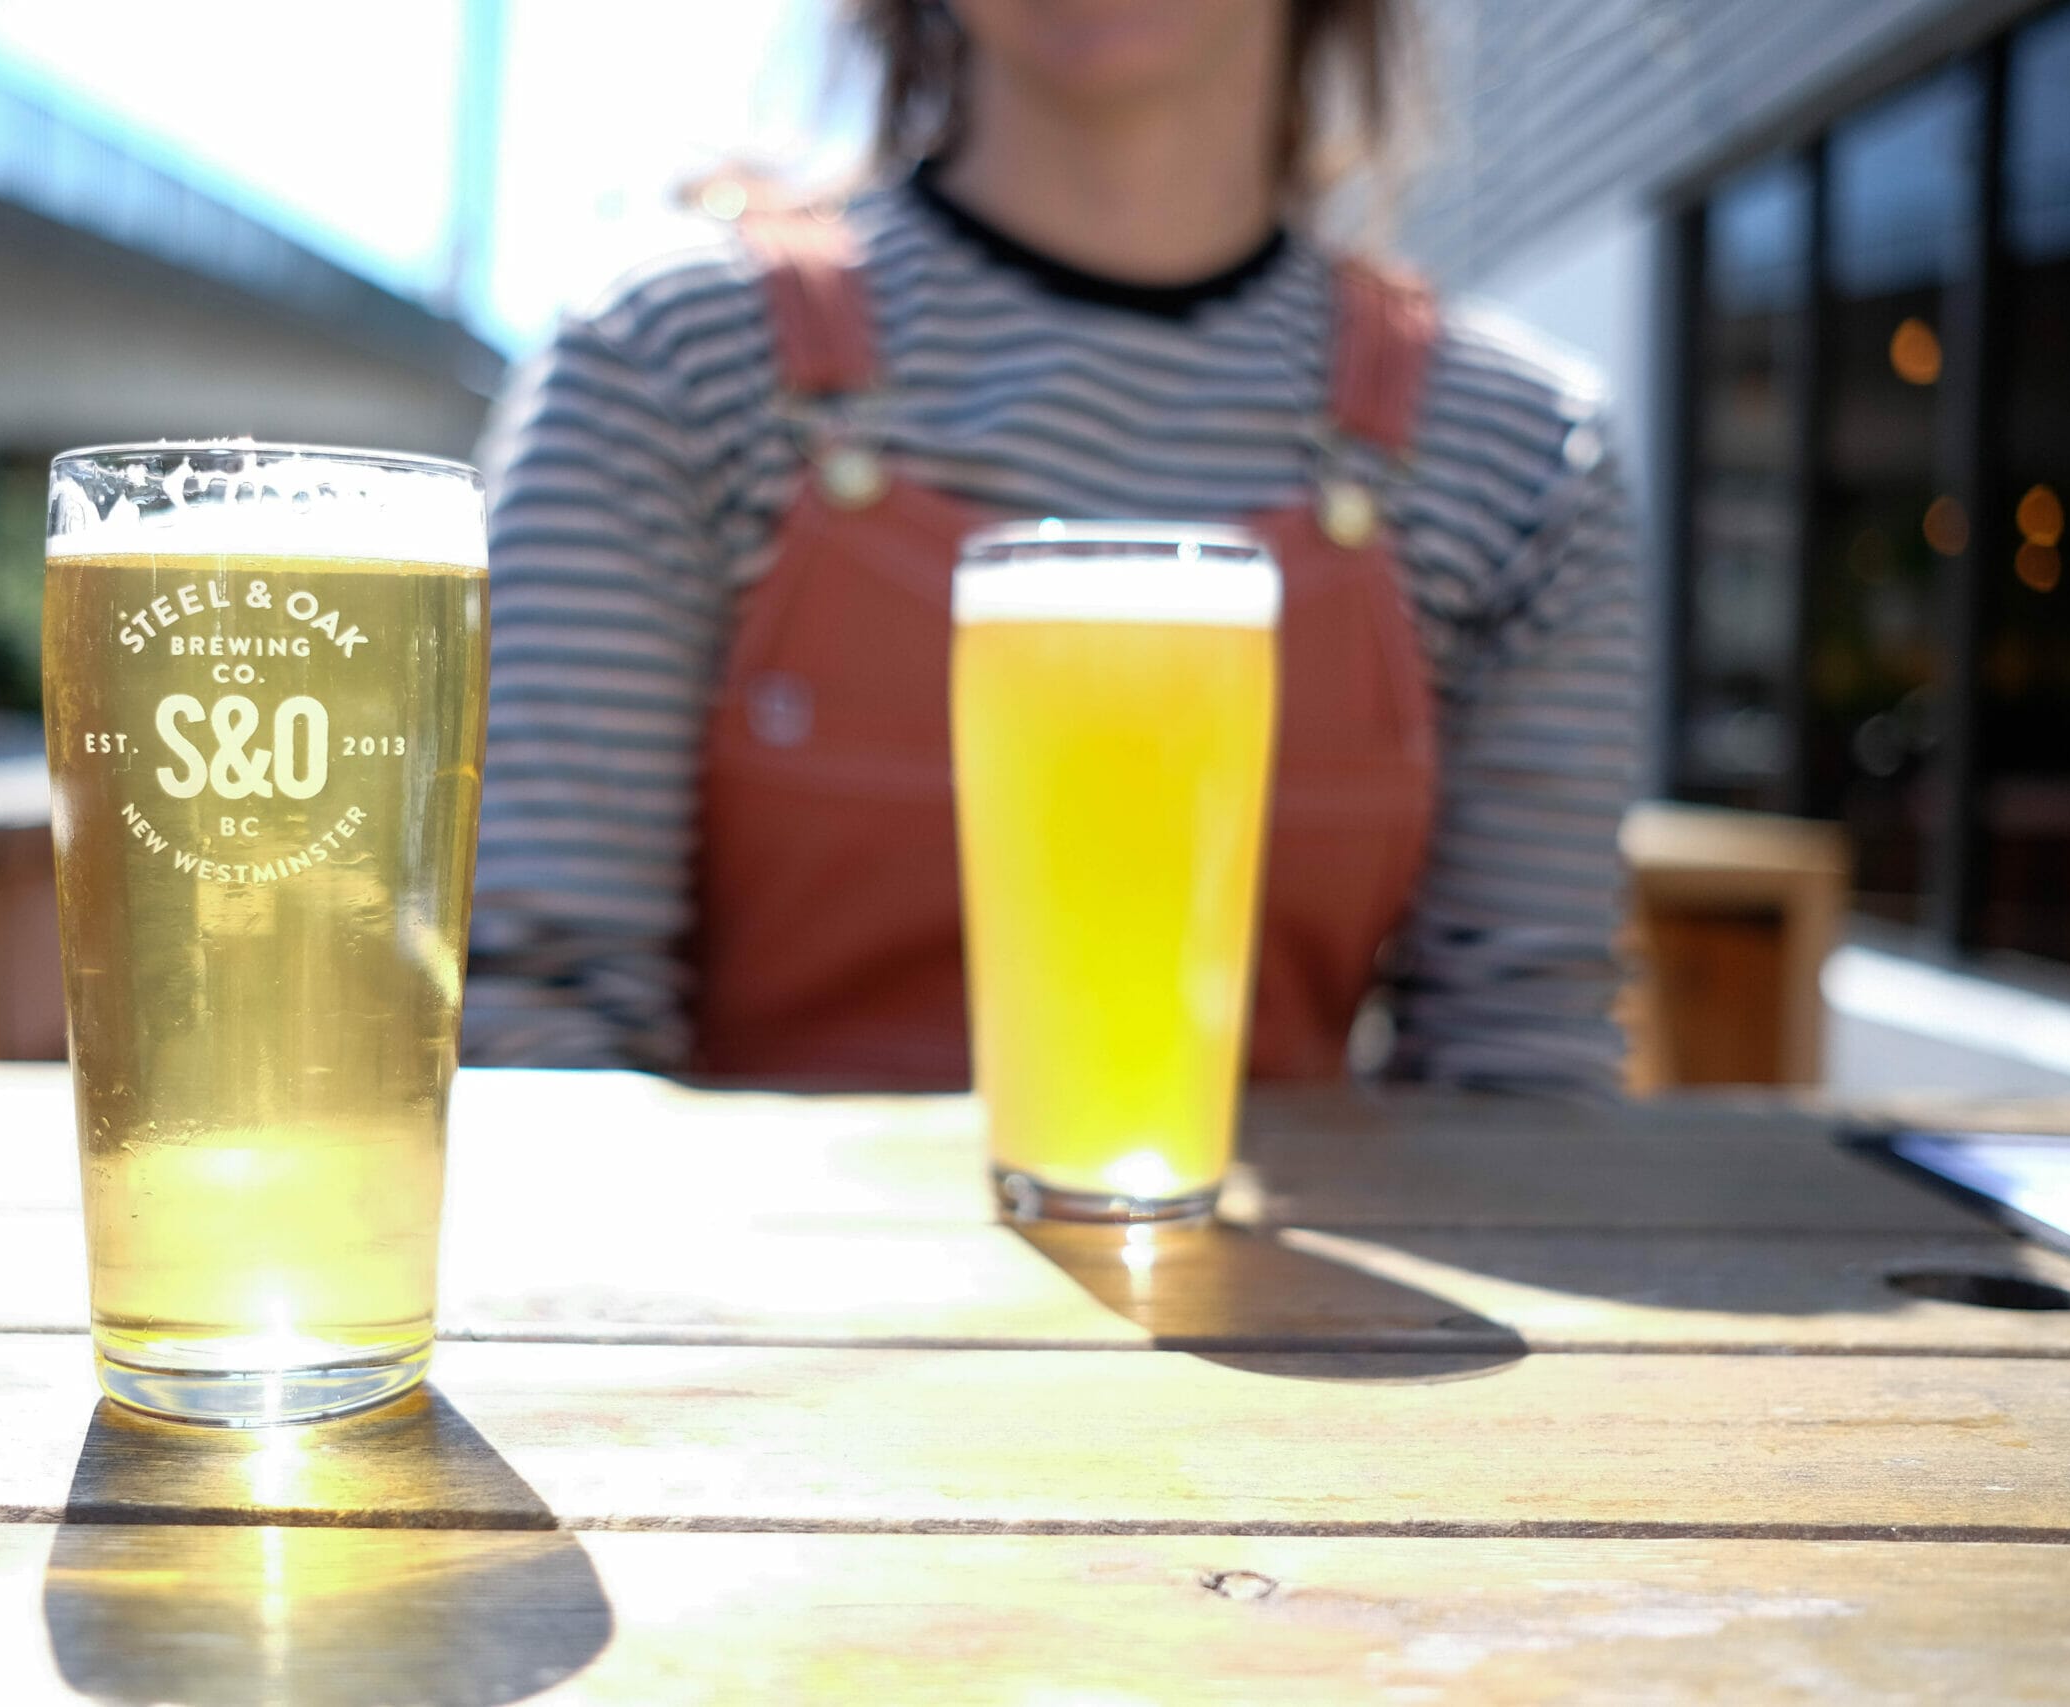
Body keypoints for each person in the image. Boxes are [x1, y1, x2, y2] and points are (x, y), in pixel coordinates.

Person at [462, 0, 1641, 1095]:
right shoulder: (665, 358)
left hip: (1275, 1317)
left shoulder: (1520, 449)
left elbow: (1519, 1063)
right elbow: (534, 1016)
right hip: (739, 1307)